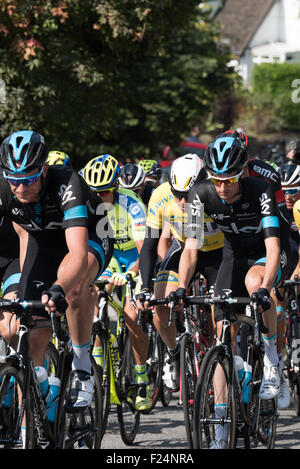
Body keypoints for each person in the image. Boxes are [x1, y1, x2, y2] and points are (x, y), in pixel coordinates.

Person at [176, 134, 292, 448]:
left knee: (256, 285)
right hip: (234, 254)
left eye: (229, 180)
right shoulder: (200, 194)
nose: (222, 188)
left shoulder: (260, 190)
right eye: (216, 180)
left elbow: (272, 245)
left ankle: (271, 360)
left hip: (271, 251)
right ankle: (221, 428)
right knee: (221, 332)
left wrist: (266, 288)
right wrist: (180, 288)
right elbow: (190, 249)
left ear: (242, 172)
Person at [0, 130, 113, 412]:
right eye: (14, 180)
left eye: (28, 179)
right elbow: (23, 236)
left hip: (89, 238)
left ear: (44, 169)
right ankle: (40, 392)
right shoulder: (7, 188)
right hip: (41, 241)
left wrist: (58, 288)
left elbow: (76, 254)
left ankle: (82, 367)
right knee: (24, 328)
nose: (21, 187)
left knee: (74, 288)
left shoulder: (67, 183)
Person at [137, 153, 224, 390]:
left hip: (218, 253)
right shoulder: (160, 196)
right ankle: (174, 352)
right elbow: (149, 245)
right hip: (184, 248)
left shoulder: (215, 194)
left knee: (221, 312)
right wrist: (145, 287)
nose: (182, 201)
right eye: (177, 194)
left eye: (187, 195)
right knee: (160, 303)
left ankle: (222, 357)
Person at [82, 154, 152, 411]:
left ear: (116, 186)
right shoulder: (90, 204)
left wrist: (133, 273)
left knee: (132, 316)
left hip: (135, 257)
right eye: (96, 192)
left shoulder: (132, 203)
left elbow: (145, 250)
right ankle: (99, 371)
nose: (101, 197)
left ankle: (142, 377)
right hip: (110, 257)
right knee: (95, 304)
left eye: (106, 191)